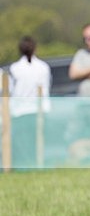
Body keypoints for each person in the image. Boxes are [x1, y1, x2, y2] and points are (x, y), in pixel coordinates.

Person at [8, 36, 52, 169]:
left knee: (23, 144)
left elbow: (10, 90)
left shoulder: (15, 68)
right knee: (36, 142)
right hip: (38, 110)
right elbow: (46, 88)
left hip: (20, 111)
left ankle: (27, 167)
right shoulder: (43, 67)